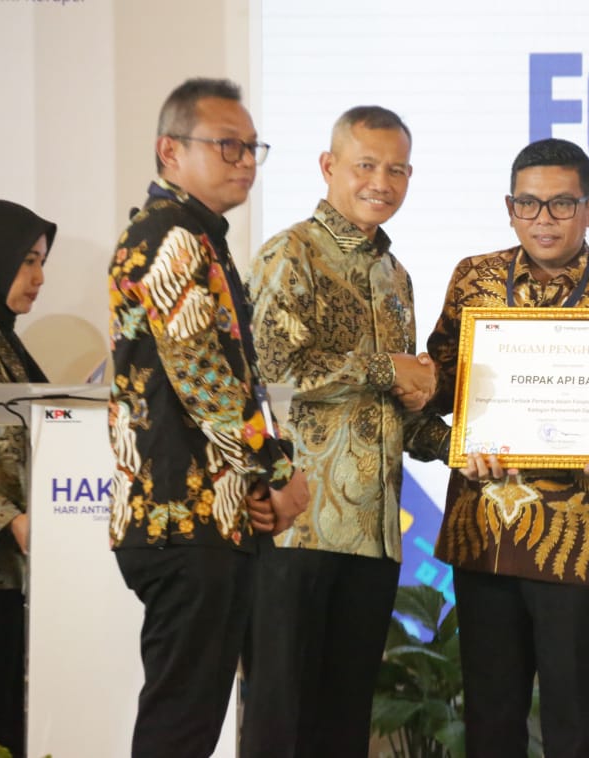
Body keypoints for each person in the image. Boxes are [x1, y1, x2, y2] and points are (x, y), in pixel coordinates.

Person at [424, 138, 589, 757]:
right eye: (527, 204)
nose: (543, 219)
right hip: (484, 533)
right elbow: (437, 391)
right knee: (490, 723)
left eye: (561, 204)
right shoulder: (473, 279)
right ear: (510, 209)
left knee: (572, 727)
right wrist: (455, 444)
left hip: (577, 541)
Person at [107, 77, 308, 758]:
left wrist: (259, 480)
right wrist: (277, 471)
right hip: (181, 517)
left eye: (252, 147)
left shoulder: (200, 236)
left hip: (207, 517)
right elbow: (202, 378)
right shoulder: (171, 236)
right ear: (171, 150)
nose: (245, 161)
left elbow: (235, 379)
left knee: (189, 724)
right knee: (179, 726)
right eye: (228, 146)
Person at [242, 105, 446, 757]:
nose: (381, 182)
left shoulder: (396, 276)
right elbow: (275, 371)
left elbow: (396, 411)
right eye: (366, 165)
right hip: (299, 525)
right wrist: (388, 368)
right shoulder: (290, 254)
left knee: (342, 723)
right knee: (281, 718)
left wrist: (465, 444)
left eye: (397, 170)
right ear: (329, 166)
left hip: (373, 535)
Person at [0, 199, 56, 758]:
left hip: (8, 573)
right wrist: (7, 518)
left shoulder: (2, 336)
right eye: (28, 260)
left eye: (42, 262)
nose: (39, 277)